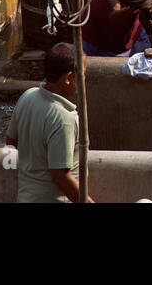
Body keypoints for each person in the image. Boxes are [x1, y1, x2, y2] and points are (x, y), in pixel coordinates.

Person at [6, 43, 91, 203]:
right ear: (68, 78)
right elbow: (60, 176)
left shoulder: (28, 96)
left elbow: (10, 141)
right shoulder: (64, 118)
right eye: (82, 75)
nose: (84, 79)